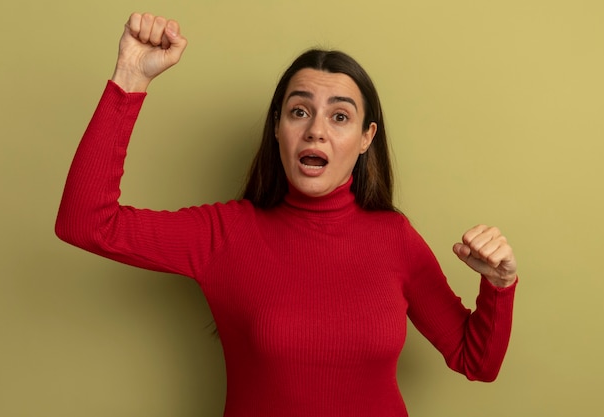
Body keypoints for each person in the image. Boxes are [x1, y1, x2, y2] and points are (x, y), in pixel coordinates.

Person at [56, 12, 518, 417]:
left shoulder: (393, 236)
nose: (316, 130)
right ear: (277, 126)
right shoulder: (225, 233)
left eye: (340, 117)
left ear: (365, 138)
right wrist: (129, 79)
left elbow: (476, 362)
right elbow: (86, 223)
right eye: (299, 112)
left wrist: (498, 287)